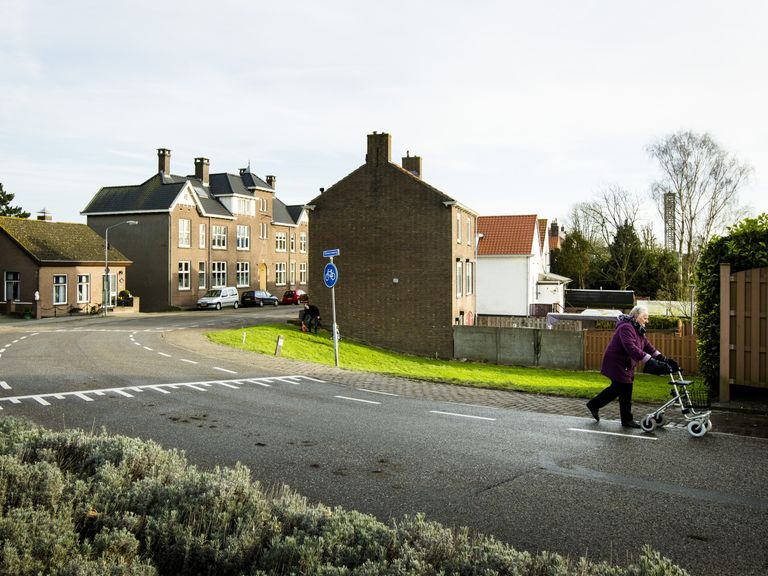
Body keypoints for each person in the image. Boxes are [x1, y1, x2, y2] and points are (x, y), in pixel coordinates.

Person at [586, 305, 674, 429]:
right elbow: (631, 348)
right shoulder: (626, 328)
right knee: (624, 388)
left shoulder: (638, 329)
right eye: (644, 318)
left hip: (625, 364)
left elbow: (647, 346)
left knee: (618, 389)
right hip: (616, 362)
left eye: (647, 318)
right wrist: (650, 361)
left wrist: (662, 358)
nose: (646, 321)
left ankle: (595, 405)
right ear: (635, 316)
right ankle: (625, 419)